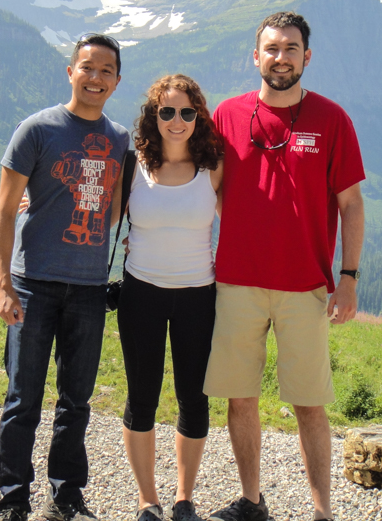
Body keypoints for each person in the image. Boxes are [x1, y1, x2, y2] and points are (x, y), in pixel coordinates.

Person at [203, 12, 365, 521]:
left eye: (291, 48)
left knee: (310, 403)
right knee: (240, 398)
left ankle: (322, 511)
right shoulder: (226, 115)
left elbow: (352, 204)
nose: (281, 57)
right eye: (271, 48)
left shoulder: (332, 119)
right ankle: (252, 503)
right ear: (256, 57)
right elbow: (195, 184)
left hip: (304, 286)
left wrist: (349, 278)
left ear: (306, 57)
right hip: (237, 281)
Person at [0, 33, 130, 521]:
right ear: (70, 71)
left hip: (89, 290)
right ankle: (13, 498)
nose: (96, 78)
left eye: (106, 70)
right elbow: (6, 211)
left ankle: (66, 496)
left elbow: (113, 207)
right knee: (22, 398)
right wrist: (3, 284)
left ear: (116, 80)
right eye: (87, 68)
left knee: (77, 401)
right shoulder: (38, 129)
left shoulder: (120, 139)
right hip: (33, 283)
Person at [117, 74, 223, 521]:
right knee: (141, 396)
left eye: (186, 112)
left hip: (199, 295)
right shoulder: (132, 166)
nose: (176, 121)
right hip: (141, 292)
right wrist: (37, 200)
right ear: (153, 115)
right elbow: (92, 203)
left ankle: (183, 498)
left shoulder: (213, 167)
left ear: (199, 116)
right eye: (167, 112)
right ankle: (147, 500)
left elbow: (250, 213)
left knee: (193, 399)